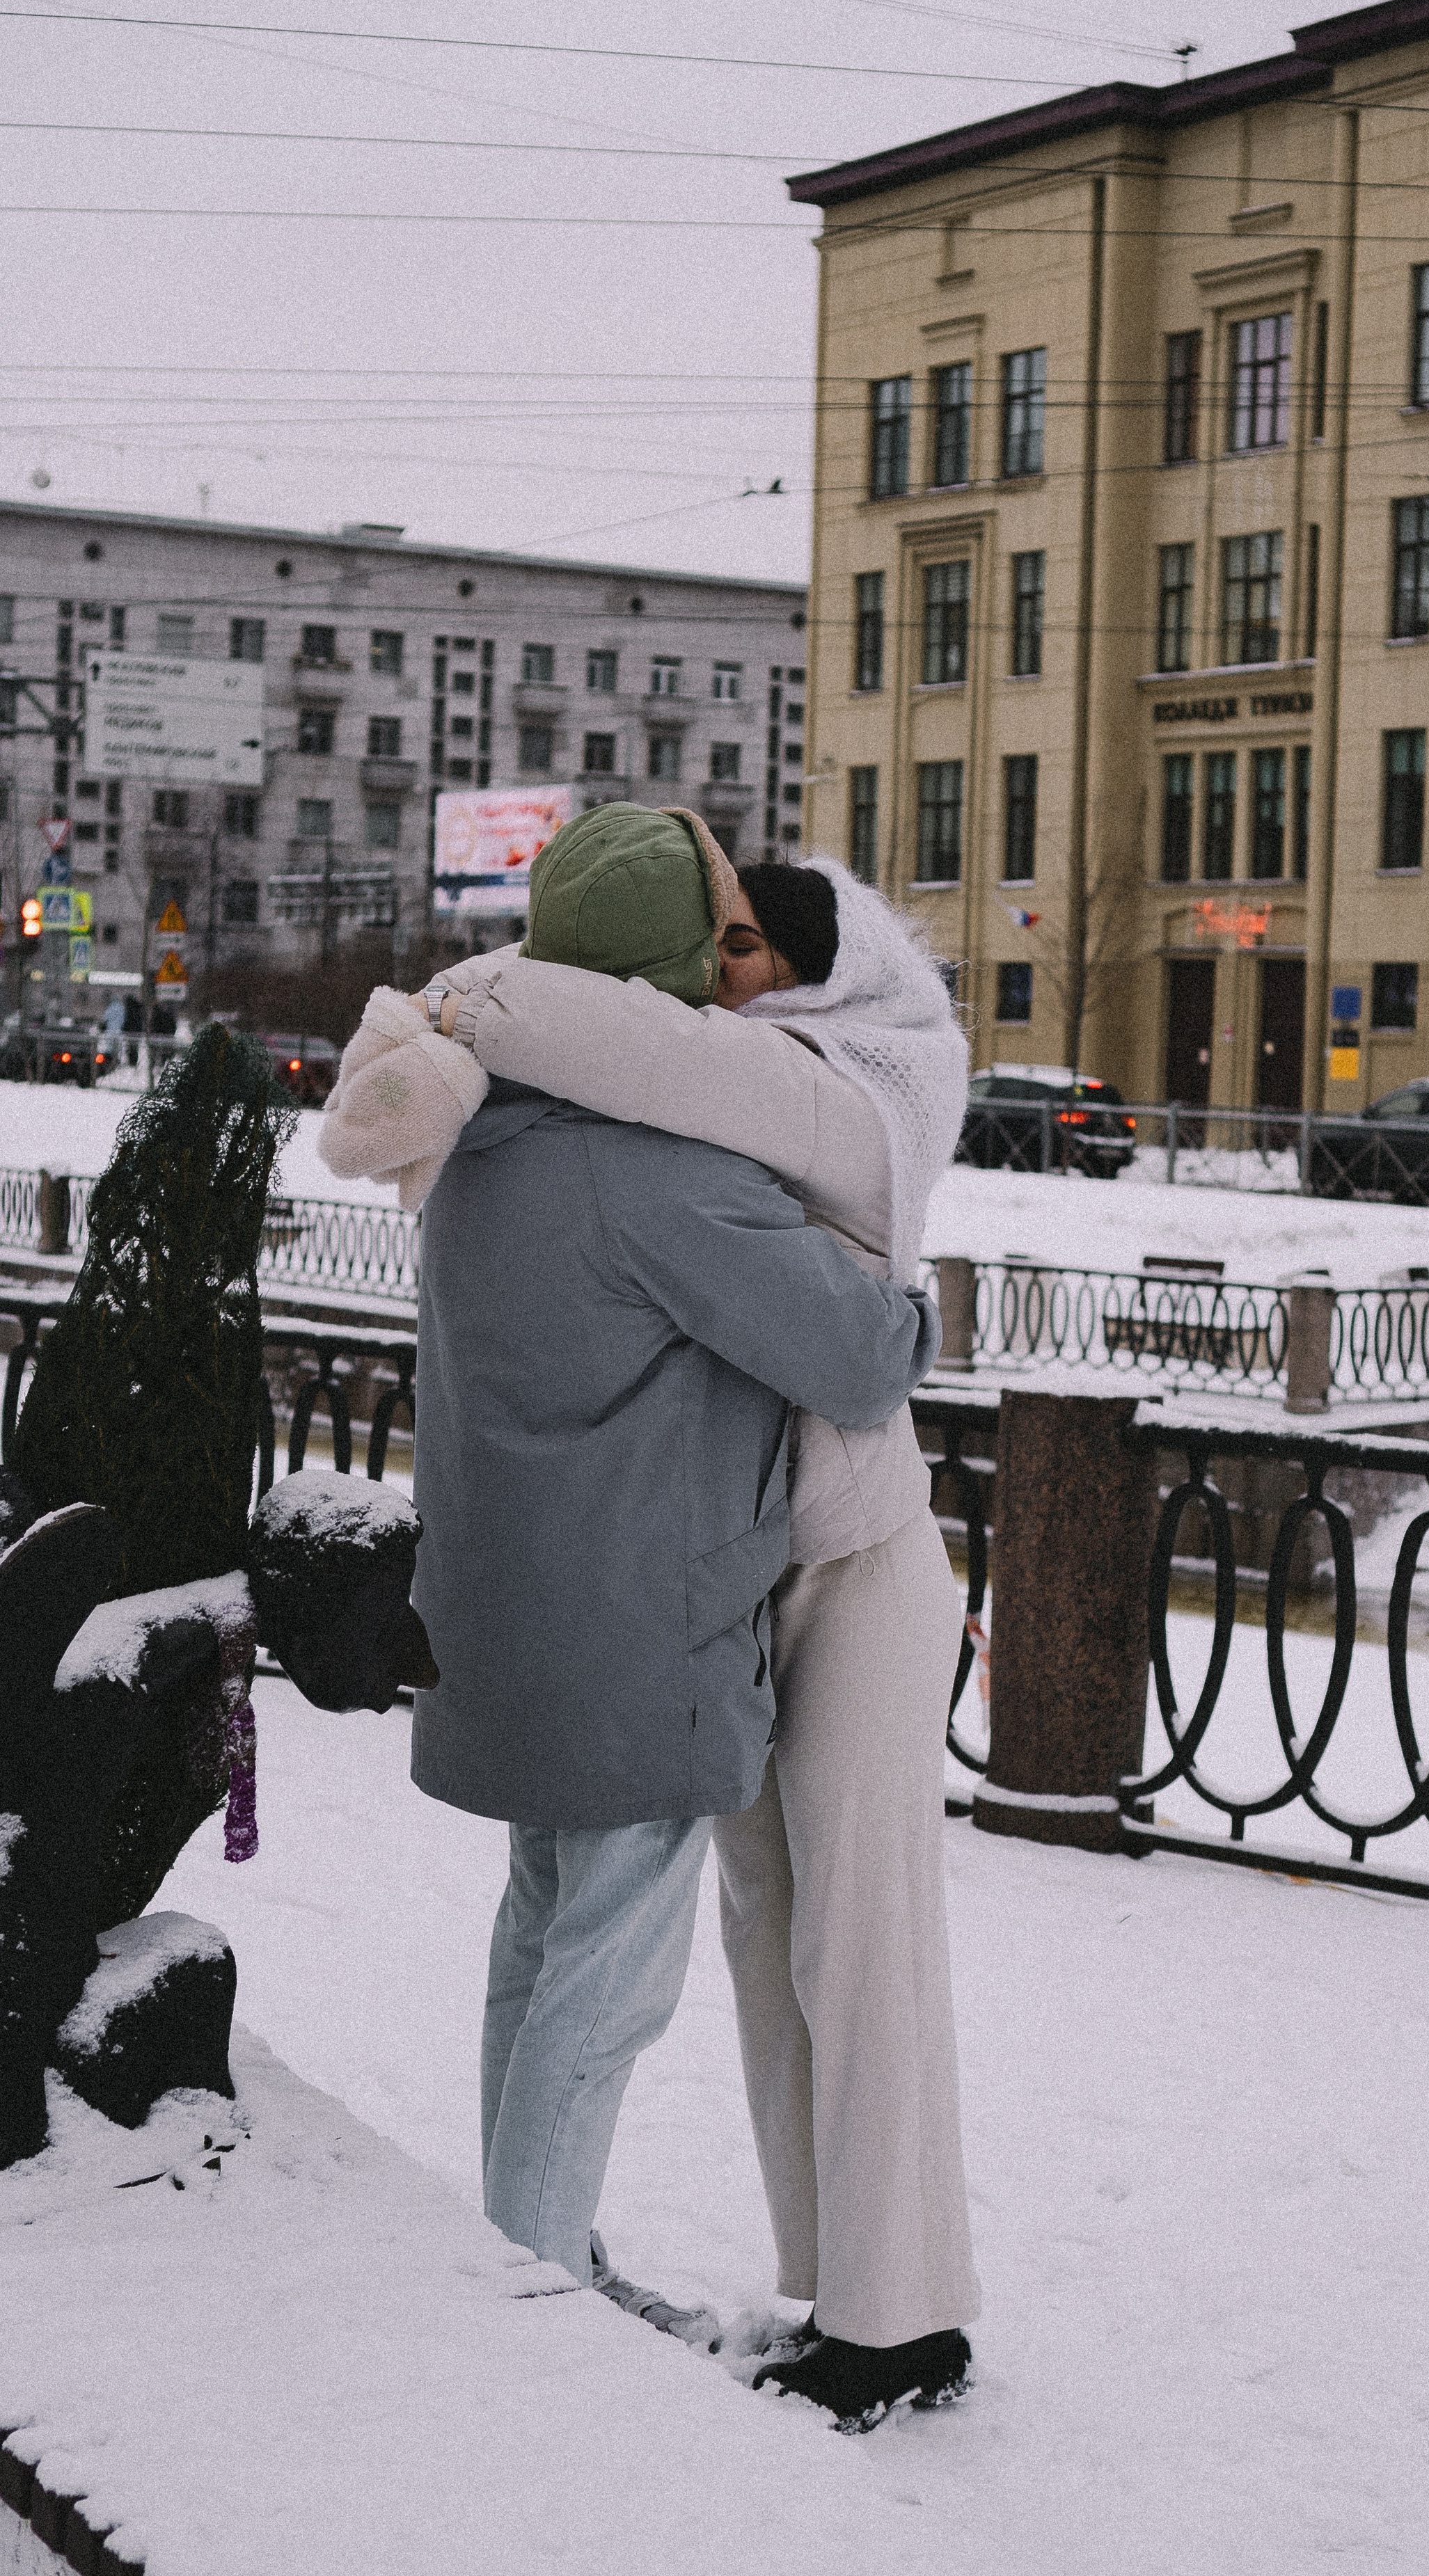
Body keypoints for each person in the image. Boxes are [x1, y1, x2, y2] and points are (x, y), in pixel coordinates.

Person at [323, 835, 981, 2433]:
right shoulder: (659, 1145)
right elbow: (862, 1347)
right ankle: (584, 2270)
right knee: (685, 1952)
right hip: (685, 1600)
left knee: (830, 1943)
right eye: (714, 942)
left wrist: (469, 1000)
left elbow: (596, 1032)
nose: (728, 976)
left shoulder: (567, 1128)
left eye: (757, 946)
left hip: (831, 1572)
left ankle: (889, 2319)